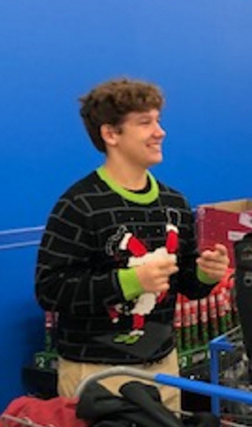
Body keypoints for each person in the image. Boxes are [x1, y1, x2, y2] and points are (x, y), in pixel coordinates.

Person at [35, 78, 230, 406]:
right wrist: (130, 281)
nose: (160, 131)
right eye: (145, 122)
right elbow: (50, 289)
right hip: (97, 377)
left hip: (165, 370)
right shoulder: (79, 204)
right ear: (111, 134)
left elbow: (185, 282)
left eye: (158, 120)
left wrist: (206, 275)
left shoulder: (174, 202)